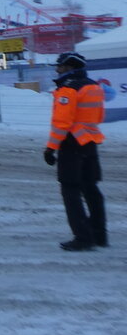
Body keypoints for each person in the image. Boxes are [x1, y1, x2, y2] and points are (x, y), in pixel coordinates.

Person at [44, 52, 107, 251]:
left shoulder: (68, 89)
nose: (57, 69)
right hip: (90, 141)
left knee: (70, 190)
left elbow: (62, 123)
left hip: (72, 143)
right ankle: (99, 235)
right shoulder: (94, 86)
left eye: (60, 66)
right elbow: (99, 115)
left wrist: (51, 148)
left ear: (70, 67)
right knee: (91, 189)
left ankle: (82, 237)